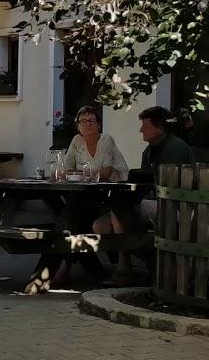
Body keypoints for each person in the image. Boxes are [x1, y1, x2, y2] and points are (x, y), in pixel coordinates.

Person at [96, 105, 195, 282]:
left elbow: (170, 187)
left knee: (120, 209)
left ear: (160, 128)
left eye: (145, 125)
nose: (141, 129)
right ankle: (132, 263)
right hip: (152, 202)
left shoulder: (175, 148)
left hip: (176, 207)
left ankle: (127, 269)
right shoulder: (149, 150)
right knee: (100, 226)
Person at [49, 105, 129, 288]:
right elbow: (65, 169)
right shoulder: (77, 141)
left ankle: (62, 267)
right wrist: (77, 173)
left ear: (99, 125)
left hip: (115, 197)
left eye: (91, 121)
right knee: (74, 215)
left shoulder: (106, 140)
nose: (87, 125)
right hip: (90, 196)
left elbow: (107, 173)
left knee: (73, 215)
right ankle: (64, 268)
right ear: (77, 126)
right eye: (82, 121)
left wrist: (78, 173)